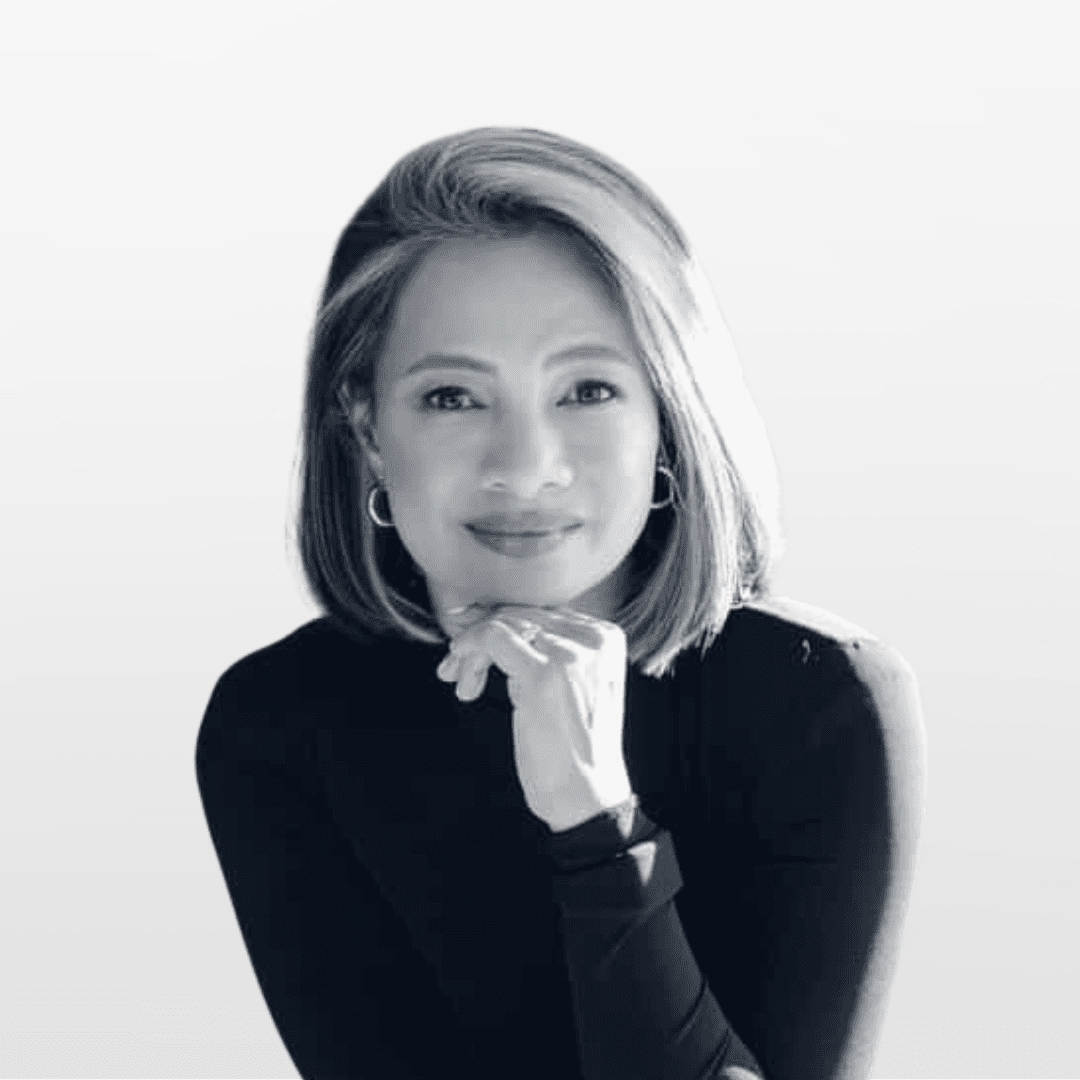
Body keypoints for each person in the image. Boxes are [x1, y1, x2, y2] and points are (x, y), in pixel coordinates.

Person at [195, 127, 926, 1080]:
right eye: (452, 397)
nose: (526, 467)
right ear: (367, 429)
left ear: (669, 415)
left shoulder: (821, 704)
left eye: (587, 390)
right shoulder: (278, 727)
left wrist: (594, 819)